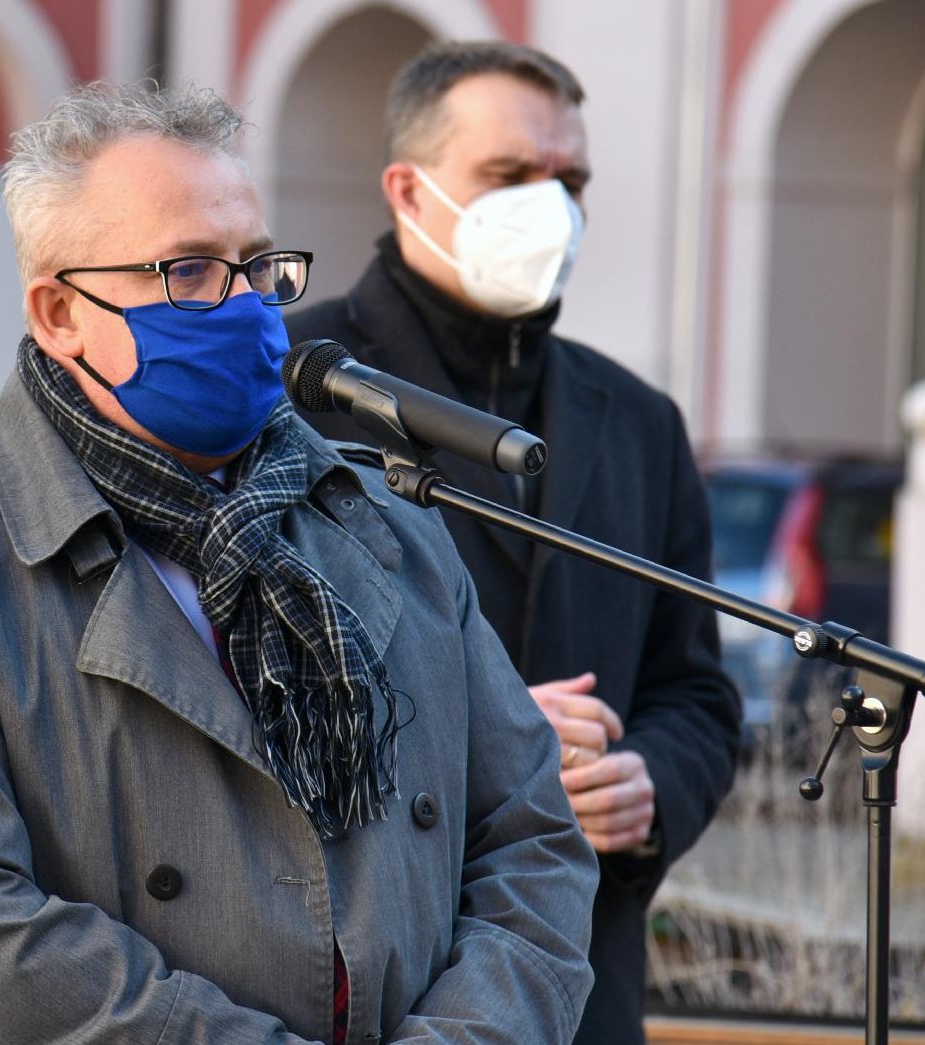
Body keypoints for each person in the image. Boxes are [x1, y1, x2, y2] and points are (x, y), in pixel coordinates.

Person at [0, 81, 596, 1044]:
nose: (245, 305)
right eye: (188, 272)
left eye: (257, 265)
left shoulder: (388, 524)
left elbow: (533, 843)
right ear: (59, 314)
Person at [286, 42, 742, 1045]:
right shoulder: (290, 391)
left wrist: (648, 787)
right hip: (370, 982)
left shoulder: (637, 420)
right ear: (408, 189)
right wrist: (484, 739)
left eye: (568, 179)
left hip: (582, 988)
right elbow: (225, 684)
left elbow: (696, 691)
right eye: (508, 177)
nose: (552, 207)